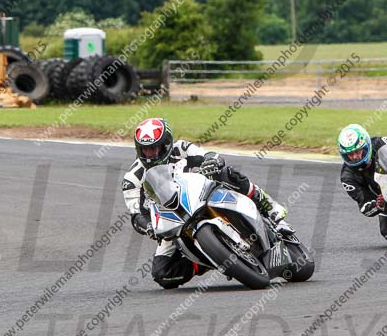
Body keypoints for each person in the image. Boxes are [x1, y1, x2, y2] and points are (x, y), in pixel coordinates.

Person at [123, 118, 287, 289]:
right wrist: (149, 227)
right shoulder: (132, 179)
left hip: (203, 194)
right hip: (171, 219)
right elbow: (136, 215)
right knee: (162, 273)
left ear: (166, 144)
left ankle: (268, 205)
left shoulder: (181, 148)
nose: (150, 154)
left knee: (226, 172)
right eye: (145, 149)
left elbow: (208, 155)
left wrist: (212, 161)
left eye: (154, 148)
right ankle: (209, 260)